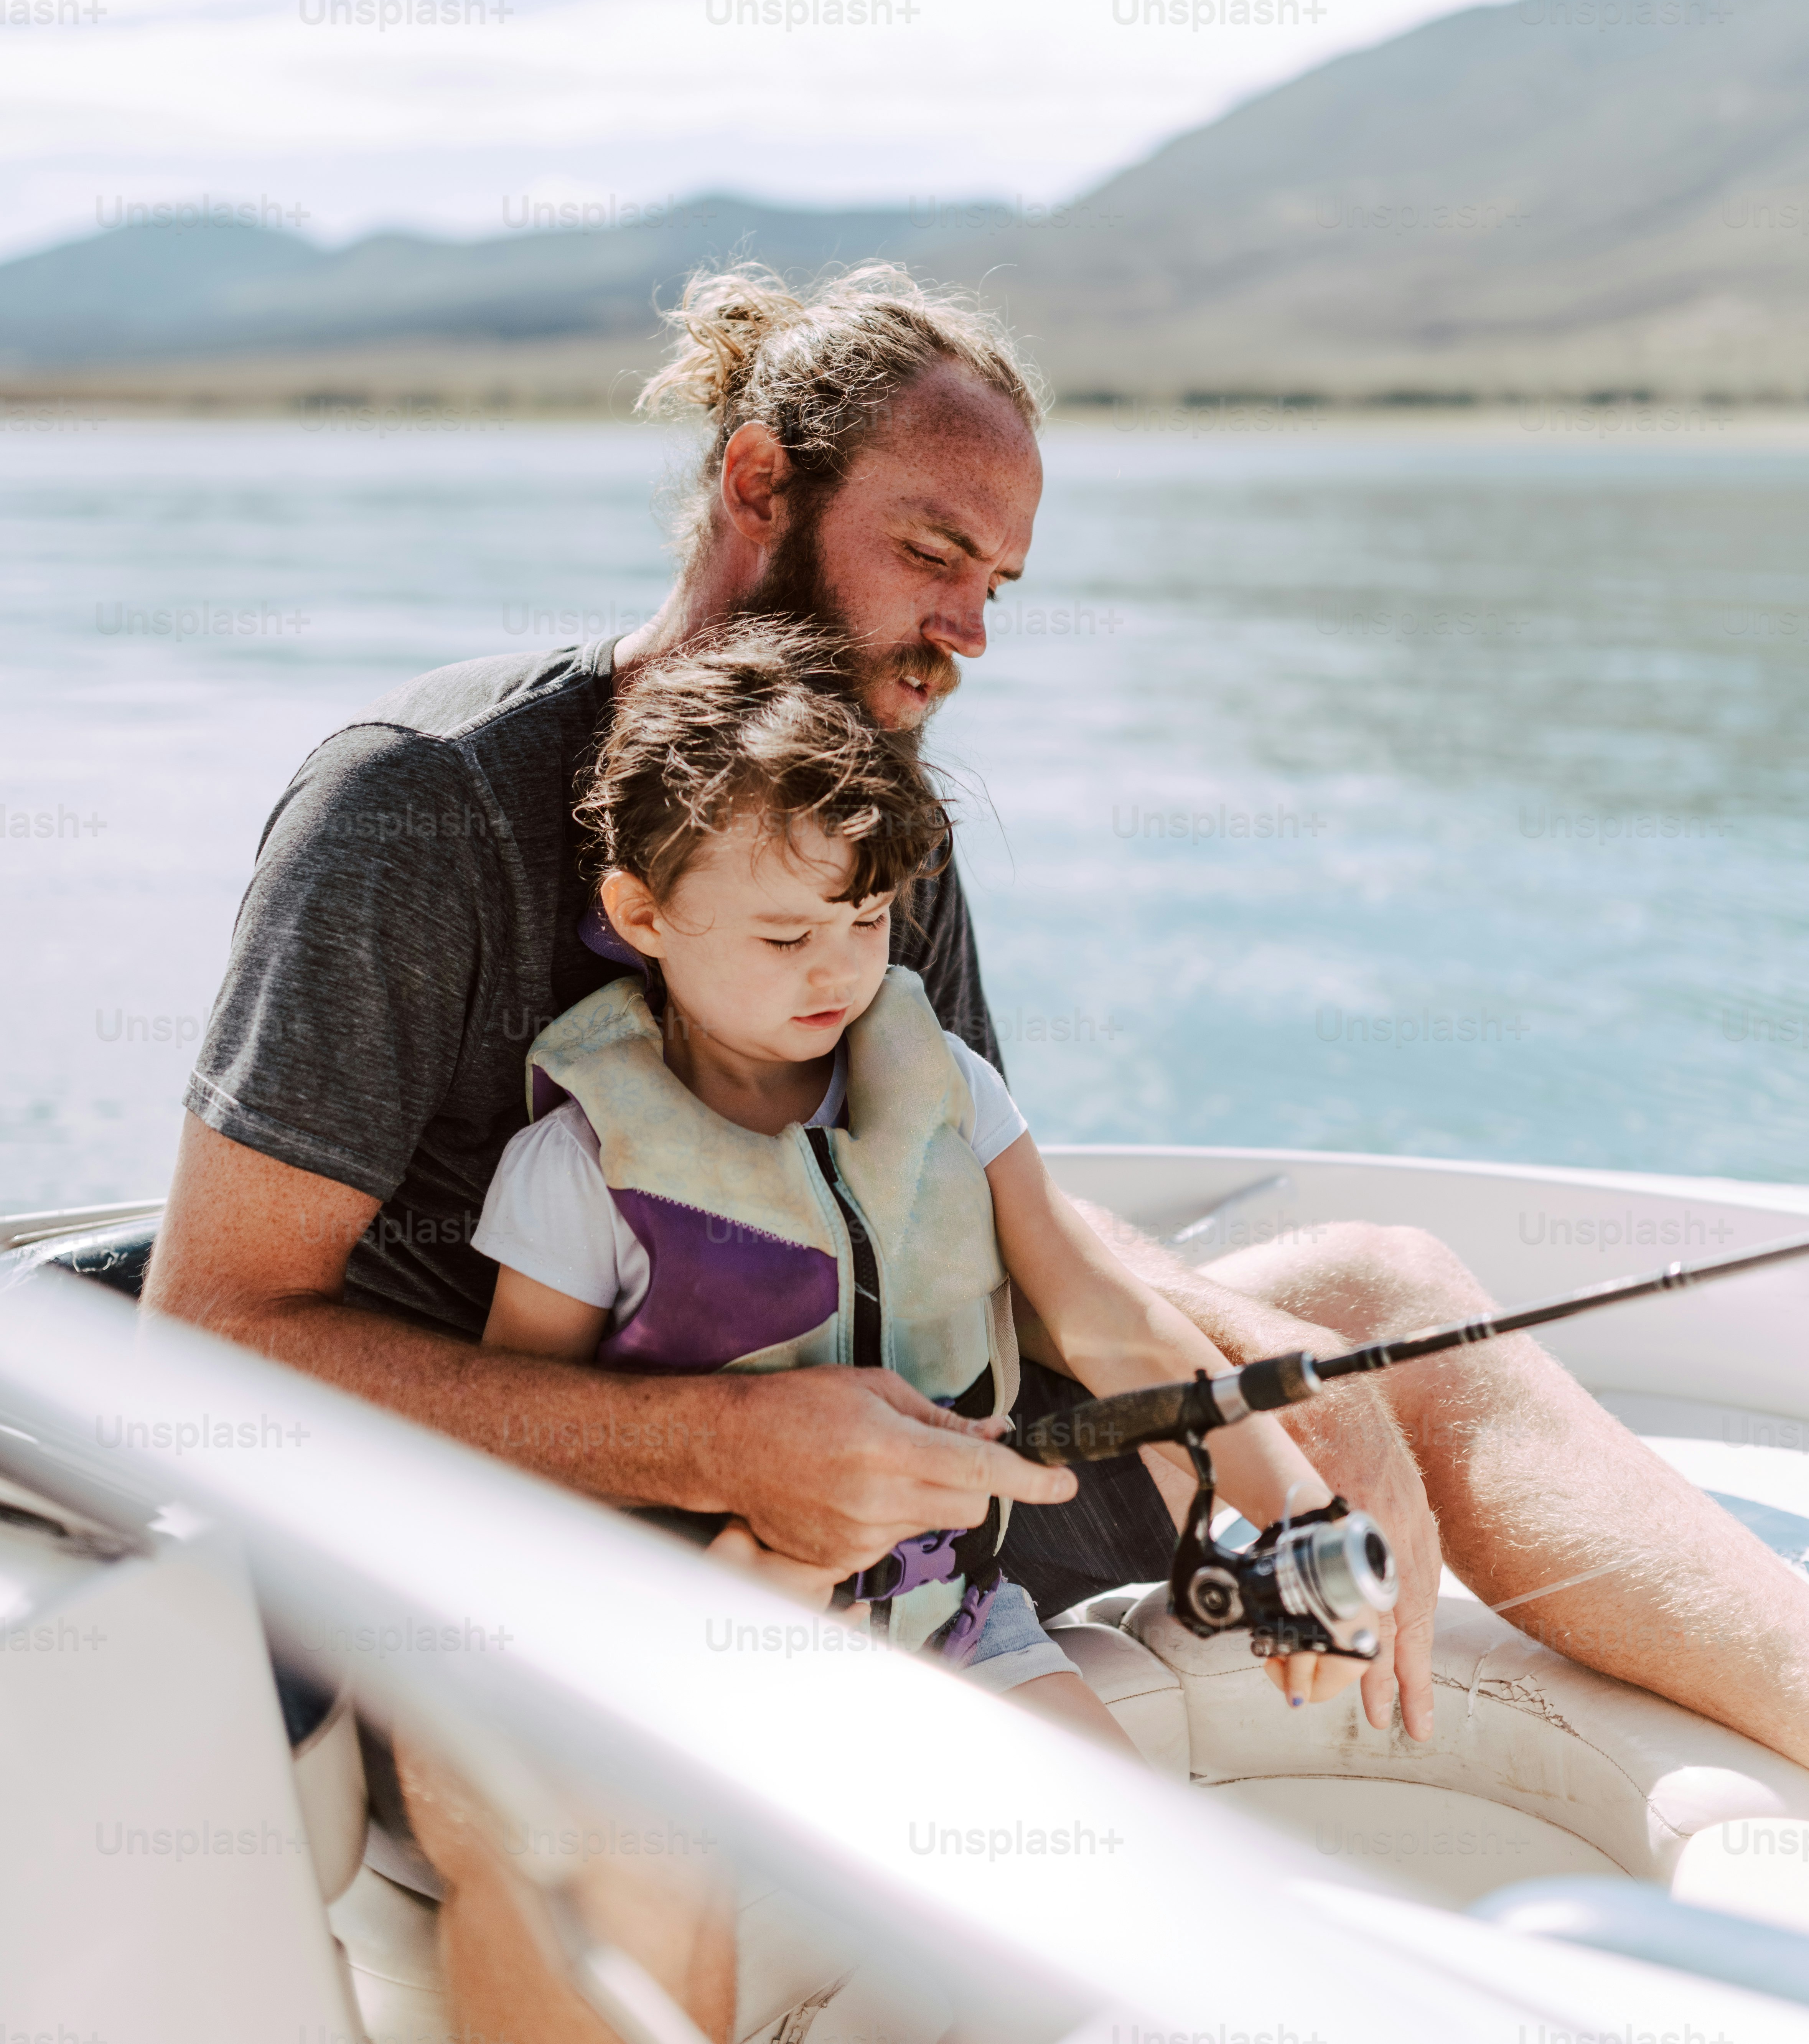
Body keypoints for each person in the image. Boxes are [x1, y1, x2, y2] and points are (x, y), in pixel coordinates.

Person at [145, 256, 1809, 1782]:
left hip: (917, 1492)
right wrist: (728, 1444)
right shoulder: (418, 813)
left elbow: (979, 1183)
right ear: (755, 486)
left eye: (1000, 581)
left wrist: (1249, 1392)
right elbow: (211, 1332)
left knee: (1387, 1298)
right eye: (934, 552)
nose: (969, 631)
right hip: (552, 1532)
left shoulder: (880, 828)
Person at [474, 617, 1376, 1740]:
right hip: (703, 1653)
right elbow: (519, 1447)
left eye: (864, 919)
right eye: (783, 935)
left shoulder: (949, 1087)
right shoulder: (574, 1170)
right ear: (642, 915)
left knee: (1125, 1848)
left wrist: (1305, 1523)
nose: (838, 967)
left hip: (956, 1618)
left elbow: (1108, 1321)